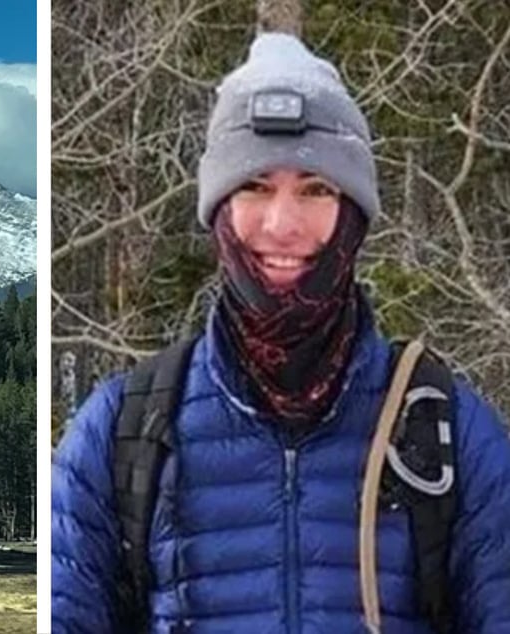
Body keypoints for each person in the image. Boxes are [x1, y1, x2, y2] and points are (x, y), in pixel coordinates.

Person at [51, 32, 510, 633]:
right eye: (255, 186)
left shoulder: (448, 432)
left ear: (355, 214)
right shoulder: (122, 434)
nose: (282, 224)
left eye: (316, 189)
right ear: (219, 210)